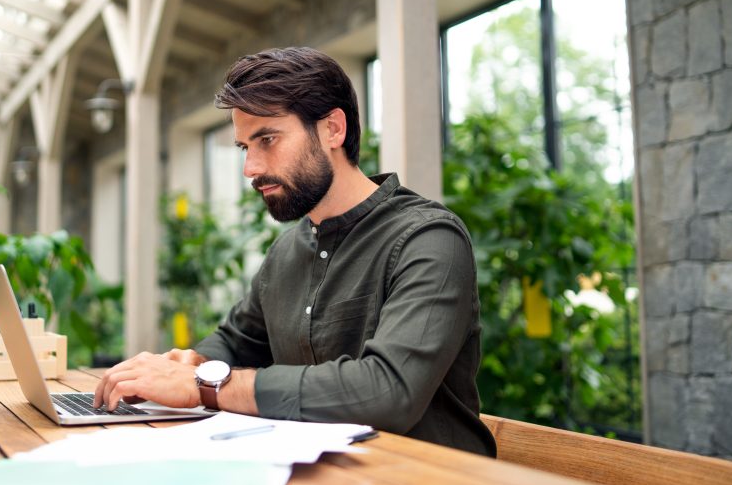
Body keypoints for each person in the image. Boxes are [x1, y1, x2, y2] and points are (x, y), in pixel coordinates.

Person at [94, 47, 496, 457]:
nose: (250, 168)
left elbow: (387, 391)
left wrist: (205, 385)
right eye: (244, 147)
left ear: (332, 130)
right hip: (320, 480)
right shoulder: (288, 250)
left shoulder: (428, 239)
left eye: (267, 139)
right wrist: (179, 366)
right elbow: (234, 343)